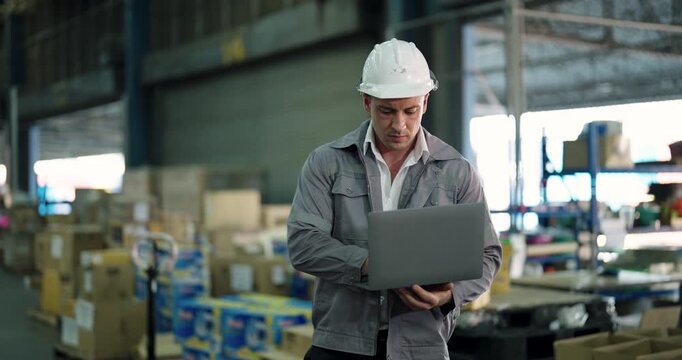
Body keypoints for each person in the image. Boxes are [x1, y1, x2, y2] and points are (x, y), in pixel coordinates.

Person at [287, 38, 501, 360]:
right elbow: (303, 243)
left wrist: (448, 296)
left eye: (410, 110)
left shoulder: (458, 172)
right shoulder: (327, 163)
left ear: (425, 102)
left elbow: (487, 254)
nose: (399, 125)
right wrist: (369, 265)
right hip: (340, 343)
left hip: (420, 346)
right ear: (366, 102)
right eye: (386, 111)